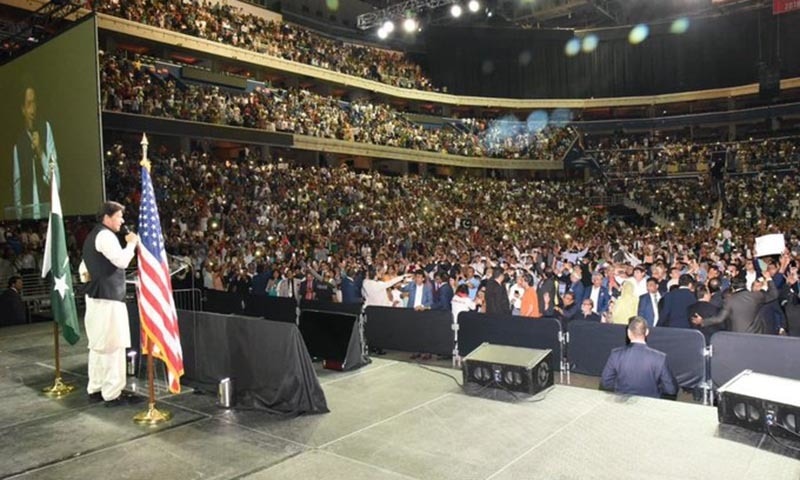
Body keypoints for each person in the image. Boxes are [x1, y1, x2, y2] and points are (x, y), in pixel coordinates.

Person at [79, 202, 141, 406]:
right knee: (113, 346)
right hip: (108, 300)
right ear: (107, 217)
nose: (122, 220)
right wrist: (131, 243)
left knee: (98, 346)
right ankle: (113, 393)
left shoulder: (92, 236)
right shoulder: (105, 236)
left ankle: (96, 388)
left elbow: (83, 269)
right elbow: (122, 261)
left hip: (96, 297)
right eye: (119, 216)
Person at [11, 85, 59, 220]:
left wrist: (40, 151)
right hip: (29, 216)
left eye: (34, 103)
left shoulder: (45, 129)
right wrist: (20, 218)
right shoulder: (18, 143)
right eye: (29, 104)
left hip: (48, 213)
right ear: (23, 109)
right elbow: (17, 184)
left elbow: (56, 181)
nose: (33, 109)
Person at [601, 316, 678, 398]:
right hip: (650, 403)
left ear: (628, 333)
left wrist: (620, 387)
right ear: (647, 332)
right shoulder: (660, 358)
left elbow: (605, 383)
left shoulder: (616, 354)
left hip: (622, 402)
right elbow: (671, 389)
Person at [692, 271, 778, 334]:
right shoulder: (755, 296)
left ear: (732, 287)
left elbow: (720, 318)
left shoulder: (729, 300)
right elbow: (774, 294)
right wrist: (769, 278)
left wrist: (703, 321)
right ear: (745, 284)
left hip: (737, 334)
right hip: (755, 334)